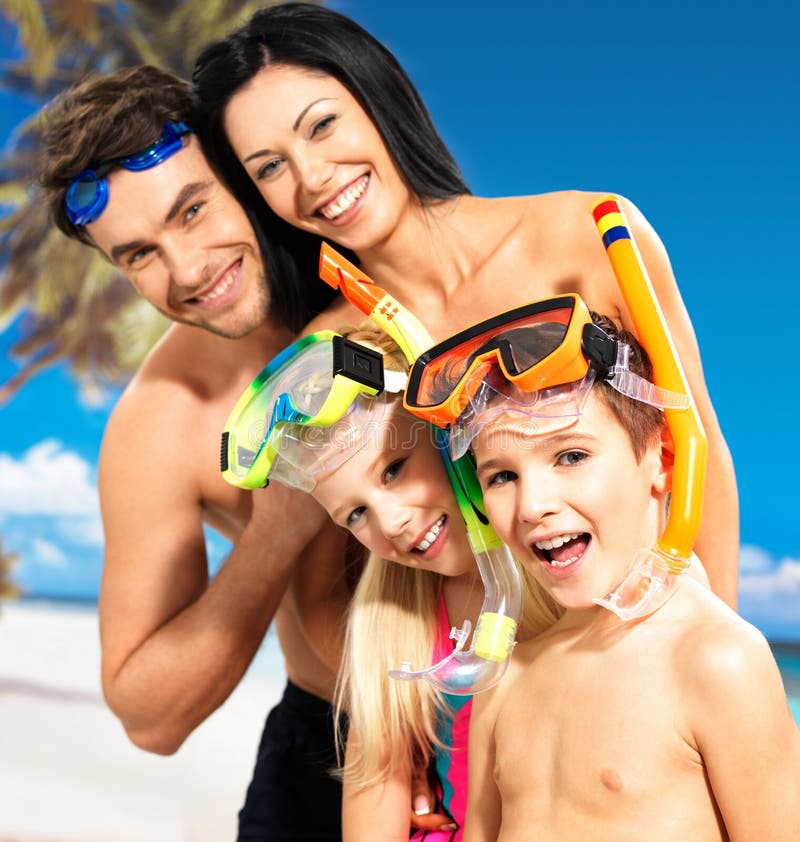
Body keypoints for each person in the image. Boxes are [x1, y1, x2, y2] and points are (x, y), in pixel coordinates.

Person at [192, 1, 740, 608]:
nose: (313, 176)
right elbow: (330, 599)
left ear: (379, 99)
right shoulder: (332, 353)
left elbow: (699, 450)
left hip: (650, 640)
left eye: (321, 126)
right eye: (270, 167)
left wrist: (714, 655)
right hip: (504, 684)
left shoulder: (585, 235)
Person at [37, 65, 354, 841]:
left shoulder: (386, 273)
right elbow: (149, 716)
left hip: (531, 709)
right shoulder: (165, 421)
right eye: (138, 254)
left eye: (193, 209)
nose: (186, 272)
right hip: (334, 749)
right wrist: (280, 522)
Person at [410, 309, 800, 841]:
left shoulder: (716, 661)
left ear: (661, 459)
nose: (533, 505)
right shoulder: (508, 677)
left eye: (571, 455)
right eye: (502, 476)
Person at [221, 319, 562, 840]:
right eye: (355, 514)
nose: (391, 522)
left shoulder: (571, 576)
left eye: (393, 469)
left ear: (448, 426)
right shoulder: (390, 631)